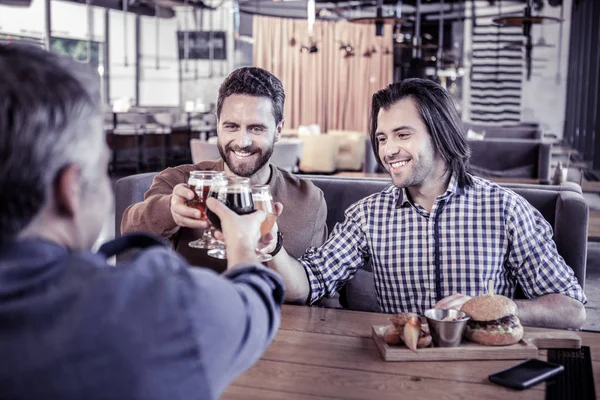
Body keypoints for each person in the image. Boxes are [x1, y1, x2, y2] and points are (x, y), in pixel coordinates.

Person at [0, 43, 284, 399]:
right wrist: (243, 244)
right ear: (70, 190)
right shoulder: (152, 311)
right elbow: (254, 305)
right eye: (101, 168)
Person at [259, 78, 586, 329]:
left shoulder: (506, 210)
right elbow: (306, 285)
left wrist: (494, 307)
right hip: (399, 367)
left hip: (484, 368)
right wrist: (273, 247)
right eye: (382, 138)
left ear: (441, 134)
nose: (387, 151)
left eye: (403, 135)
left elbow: (571, 309)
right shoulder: (367, 217)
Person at [121, 67, 327, 272]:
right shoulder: (181, 181)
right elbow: (129, 230)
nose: (242, 142)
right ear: (218, 125)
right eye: (231, 126)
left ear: (278, 131)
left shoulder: (309, 199)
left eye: (256, 128)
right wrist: (169, 209)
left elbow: (321, 287)